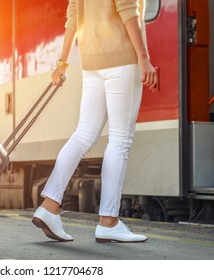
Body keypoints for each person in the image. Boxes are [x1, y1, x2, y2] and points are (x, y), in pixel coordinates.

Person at [32, 0, 158, 243]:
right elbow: (127, 10)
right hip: (121, 60)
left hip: (92, 65)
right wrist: (143, 57)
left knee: (83, 135)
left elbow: (73, 16)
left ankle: (49, 207)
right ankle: (108, 221)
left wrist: (62, 63)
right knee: (120, 140)